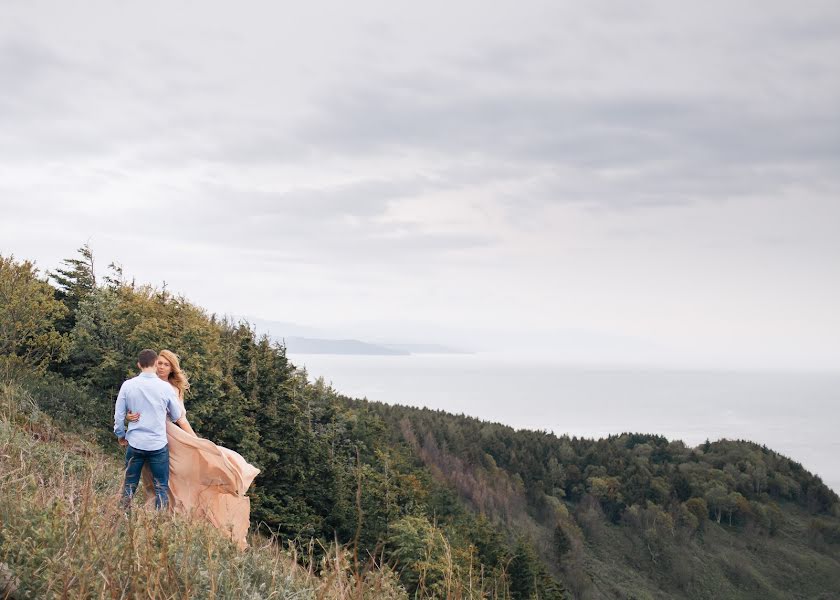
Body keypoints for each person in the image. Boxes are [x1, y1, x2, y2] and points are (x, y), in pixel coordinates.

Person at [126, 349, 260, 549]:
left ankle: (174, 518)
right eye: (159, 363)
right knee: (152, 479)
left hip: (168, 436)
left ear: (171, 368)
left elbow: (180, 418)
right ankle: (156, 520)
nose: (161, 367)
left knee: (175, 479)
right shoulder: (142, 383)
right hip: (145, 435)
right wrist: (129, 417)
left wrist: (196, 441)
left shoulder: (172, 389)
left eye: (166, 364)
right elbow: (132, 407)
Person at [114, 349, 184, 510]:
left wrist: (120, 435)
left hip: (135, 443)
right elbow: (176, 414)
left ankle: (122, 517)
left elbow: (118, 416)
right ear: (154, 364)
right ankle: (159, 523)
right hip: (157, 445)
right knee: (161, 486)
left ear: (139, 365)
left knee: (129, 485)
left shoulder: (128, 385)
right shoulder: (165, 388)